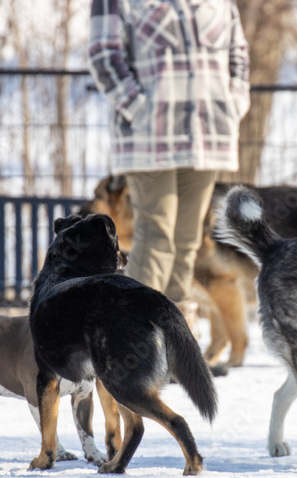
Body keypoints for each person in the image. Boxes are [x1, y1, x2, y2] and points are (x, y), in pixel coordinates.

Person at [87, 0, 250, 326]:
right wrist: (138, 109)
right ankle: (133, 336)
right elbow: (104, 56)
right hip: (148, 137)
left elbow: (239, 53)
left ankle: (175, 337)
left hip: (208, 132)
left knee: (187, 238)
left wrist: (234, 102)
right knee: (156, 234)